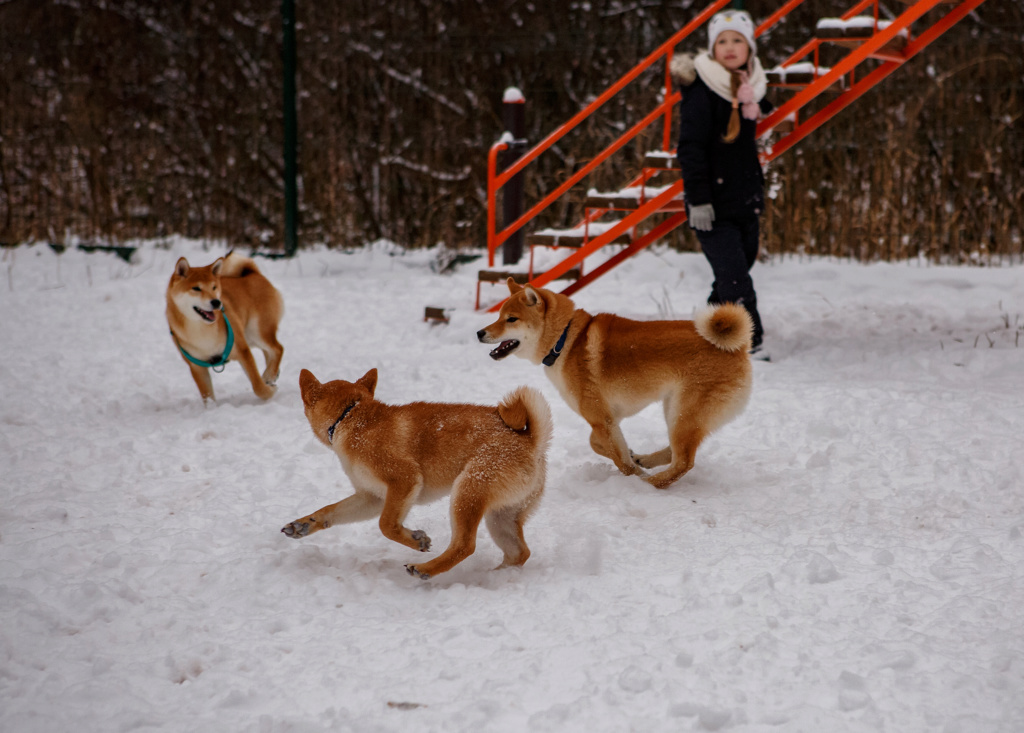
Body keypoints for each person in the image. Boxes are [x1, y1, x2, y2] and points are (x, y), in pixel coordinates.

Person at [672, 9, 773, 354]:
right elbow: (691, 147)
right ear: (713, 48)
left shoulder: (752, 87)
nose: (730, 47)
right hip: (711, 204)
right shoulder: (702, 89)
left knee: (735, 271)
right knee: (735, 278)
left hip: (744, 198)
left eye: (737, 40)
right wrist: (698, 198)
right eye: (722, 41)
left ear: (750, 48)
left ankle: (709, 330)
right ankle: (749, 342)